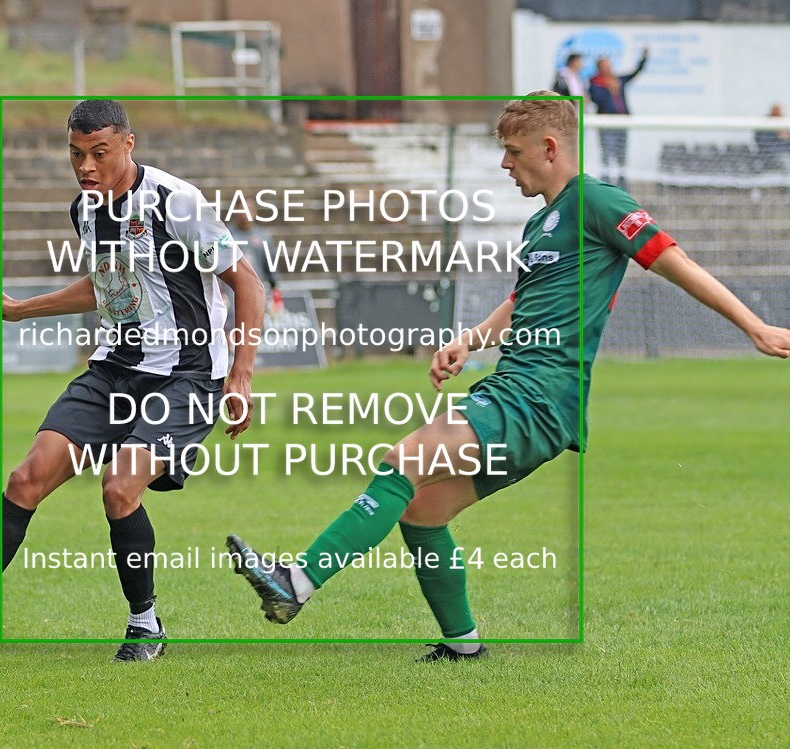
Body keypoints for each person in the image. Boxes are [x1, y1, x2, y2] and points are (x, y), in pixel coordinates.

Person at [227, 92, 790, 662]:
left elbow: (674, 259)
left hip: (540, 396)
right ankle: (463, 644)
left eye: (513, 151)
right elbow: (523, 301)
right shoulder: (542, 222)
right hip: (518, 391)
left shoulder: (596, 200)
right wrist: (467, 340)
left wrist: (753, 326)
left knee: (403, 463)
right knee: (423, 510)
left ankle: (295, 583)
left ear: (549, 148)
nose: (505, 164)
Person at [0, 100, 265, 662]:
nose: (86, 167)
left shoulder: (175, 201)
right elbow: (107, 287)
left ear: (128, 144)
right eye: (76, 154)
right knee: (25, 479)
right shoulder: (86, 210)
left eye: (98, 153)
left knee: (119, 488)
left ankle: (145, 624)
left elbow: (247, 284)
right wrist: (22, 311)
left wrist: (239, 376)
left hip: (188, 376)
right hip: (115, 368)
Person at [589, 48, 649, 191]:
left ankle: (622, 186)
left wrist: (644, 58)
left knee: (621, 156)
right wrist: (609, 90)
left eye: (609, 65)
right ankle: (606, 186)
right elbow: (596, 99)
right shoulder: (596, 83)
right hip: (607, 124)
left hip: (622, 123)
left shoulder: (618, 80)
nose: (608, 68)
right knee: (607, 155)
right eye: (605, 65)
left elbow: (635, 72)